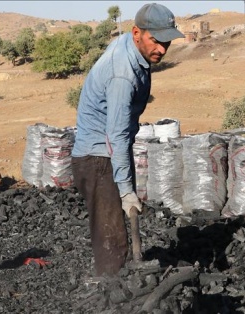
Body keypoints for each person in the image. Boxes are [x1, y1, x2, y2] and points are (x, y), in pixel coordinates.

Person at [71, 3, 184, 276]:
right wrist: (125, 190)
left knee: (114, 230)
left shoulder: (130, 48)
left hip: (103, 154)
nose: (162, 49)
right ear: (137, 33)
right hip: (98, 159)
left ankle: (123, 276)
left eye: (167, 43)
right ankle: (113, 294)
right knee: (112, 238)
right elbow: (117, 135)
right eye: (156, 41)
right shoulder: (123, 73)